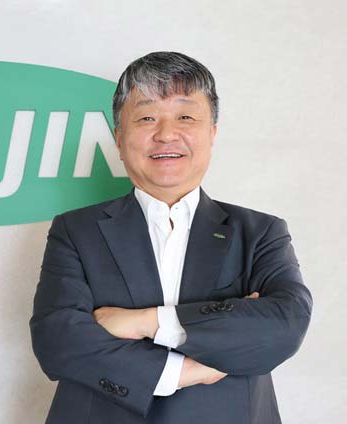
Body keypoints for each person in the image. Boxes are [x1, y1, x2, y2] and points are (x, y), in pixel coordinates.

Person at [29, 51, 313, 423]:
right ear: (119, 138)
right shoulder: (76, 231)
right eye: (146, 117)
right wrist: (186, 372)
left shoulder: (260, 232)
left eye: (185, 117)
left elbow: (285, 323)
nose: (165, 134)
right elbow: (57, 339)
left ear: (212, 133)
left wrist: (148, 321)